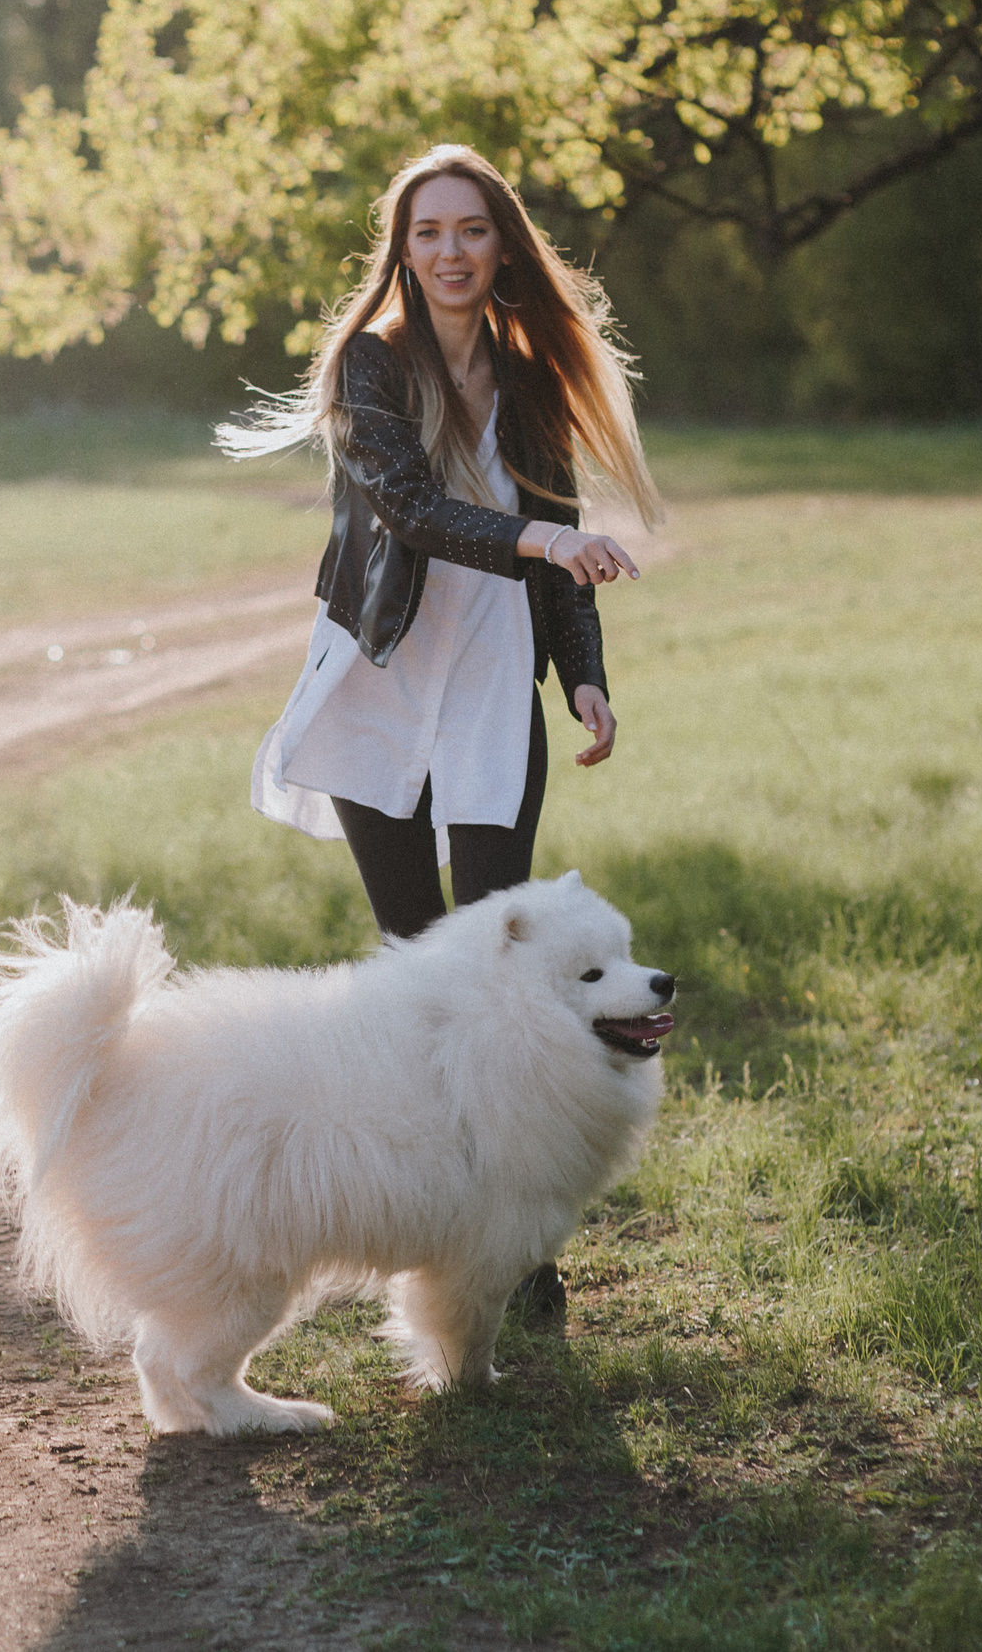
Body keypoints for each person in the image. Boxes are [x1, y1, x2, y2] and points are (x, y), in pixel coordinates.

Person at [224, 143, 666, 1320]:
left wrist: (582, 677)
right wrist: (544, 547)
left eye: (470, 230)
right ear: (401, 249)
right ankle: (426, 1215)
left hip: (484, 692)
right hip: (377, 679)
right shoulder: (368, 365)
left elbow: (560, 537)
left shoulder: (526, 378)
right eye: (427, 232)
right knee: (419, 963)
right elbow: (413, 513)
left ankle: (517, 1243)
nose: (450, 251)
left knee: (505, 974)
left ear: (500, 244)